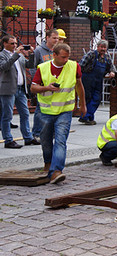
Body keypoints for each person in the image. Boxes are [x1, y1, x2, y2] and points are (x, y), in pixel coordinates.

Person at [30, 43, 86, 184]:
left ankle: (56, 171)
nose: (66, 60)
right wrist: (46, 88)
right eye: (63, 57)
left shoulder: (74, 66)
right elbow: (33, 88)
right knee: (46, 141)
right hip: (46, 111)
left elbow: (79, 85)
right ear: (54, 55)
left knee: (61, 141)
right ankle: (48, 163)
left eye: (67, 57)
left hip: (65, 111)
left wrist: (82, 104)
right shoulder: (43, 68)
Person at [0, 35, 36, 148]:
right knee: (7, 115)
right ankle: (8, 140)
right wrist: (16, 53)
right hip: (8, 89)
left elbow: (29, 65)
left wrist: (31, 54)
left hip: (20, 89)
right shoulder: (2, 55)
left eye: (15, 43)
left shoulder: (19, 56)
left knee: (25, 114)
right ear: (4, 44)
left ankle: (28, 138)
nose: (15, 45)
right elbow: (5, 67)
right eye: (12, 43)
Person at [30, 29, 61, 140]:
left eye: (57, 38)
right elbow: (33, 67)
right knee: (40, 109)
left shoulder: (58, 51)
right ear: (47, 37)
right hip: (43, 86)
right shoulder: (39, 50)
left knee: (53, 109)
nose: (56, 40)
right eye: (54, 38)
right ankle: (37, 133)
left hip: (55, 85)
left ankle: (51, 132)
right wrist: (37, 82)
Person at [78, 40, 116, 125]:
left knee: (97, 99)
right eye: (101, 47)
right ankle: (88, 118)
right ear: (97, 47)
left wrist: (112, 72)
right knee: (88, 97)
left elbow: (112, 67)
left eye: (104, 47)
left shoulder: (107, 57)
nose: (103, 49)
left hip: (99, 80)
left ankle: (85, 116)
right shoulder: (91, 54)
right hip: (87, 78)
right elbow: (80, 66)